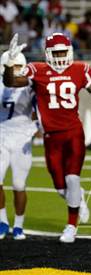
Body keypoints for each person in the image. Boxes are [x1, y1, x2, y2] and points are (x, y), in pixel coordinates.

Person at [3, 33, 91, 243]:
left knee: (72, 178)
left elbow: (88, 84)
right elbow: (12, 82)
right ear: (48, 54)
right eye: (56, 52)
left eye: (63, 52)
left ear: (69, 52)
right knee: (61, 188)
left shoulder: (79, 69)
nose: (60, 56)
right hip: (51, 137)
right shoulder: (38, 70)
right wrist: (9, 64)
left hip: (73, 133)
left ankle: (71, 226)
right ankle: (79, 198)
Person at [0, 51, 36, 240]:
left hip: (22, 137)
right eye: (13, 66)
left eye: (19, 66)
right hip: (2, 135)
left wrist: (38, 125)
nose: (17, 70)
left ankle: (19, 225)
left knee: (18, 184)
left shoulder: (30, 84)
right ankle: (2, 220)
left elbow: (41, 108)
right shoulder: (1, 83)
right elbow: (8, 82)